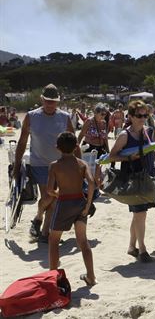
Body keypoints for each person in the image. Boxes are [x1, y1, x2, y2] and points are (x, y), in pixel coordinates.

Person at [13, 84, 78, 243]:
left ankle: (40, 223)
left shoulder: (64, 117)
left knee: (55, 199)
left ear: (58, 101)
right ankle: (44, 231)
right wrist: (16, 164)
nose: (50, 104)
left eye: (53, 101)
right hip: (39, 164)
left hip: (61, 164)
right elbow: (22, 142)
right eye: (47, 101)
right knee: (51, 196)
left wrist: (79, 164)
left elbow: (73, 142)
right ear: (42, 99)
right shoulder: (31, 116)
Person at [105, 100, 155, 262]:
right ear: (130, 116)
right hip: (132, 178)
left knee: (138, 214)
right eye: (139, 115)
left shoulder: (148, 131)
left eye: (146, 115)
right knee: (140, 214)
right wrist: (129, 157)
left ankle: (132, 247)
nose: (143, 118)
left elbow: (153, 149)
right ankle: (142, 250)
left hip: (146, 177)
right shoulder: (124, 135)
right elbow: (112, 156)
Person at [47, 132, 96, 286]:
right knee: (83, 241)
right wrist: (87, 205)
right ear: (76, 147)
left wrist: (57, 194)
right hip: (80, 203)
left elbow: (49, 190)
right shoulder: (82, 164)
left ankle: (53, 276)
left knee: (53, 240)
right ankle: (91, 277)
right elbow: (92, 182)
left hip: (64, 203)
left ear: (57, 148)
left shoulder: (55, 166)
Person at [77, 103, 109, 183]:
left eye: (105, 114)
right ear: (96, 113)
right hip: (89, 148)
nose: (103, 116)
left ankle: (95, 188)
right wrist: (76, 147)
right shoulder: (89, 121)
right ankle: (87, 188)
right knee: (88, 170)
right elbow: (81, 134)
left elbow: (105, 137)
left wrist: (108, 149)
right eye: (102, 114)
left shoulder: (104, 123)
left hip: (100, 148)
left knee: (98, 170)